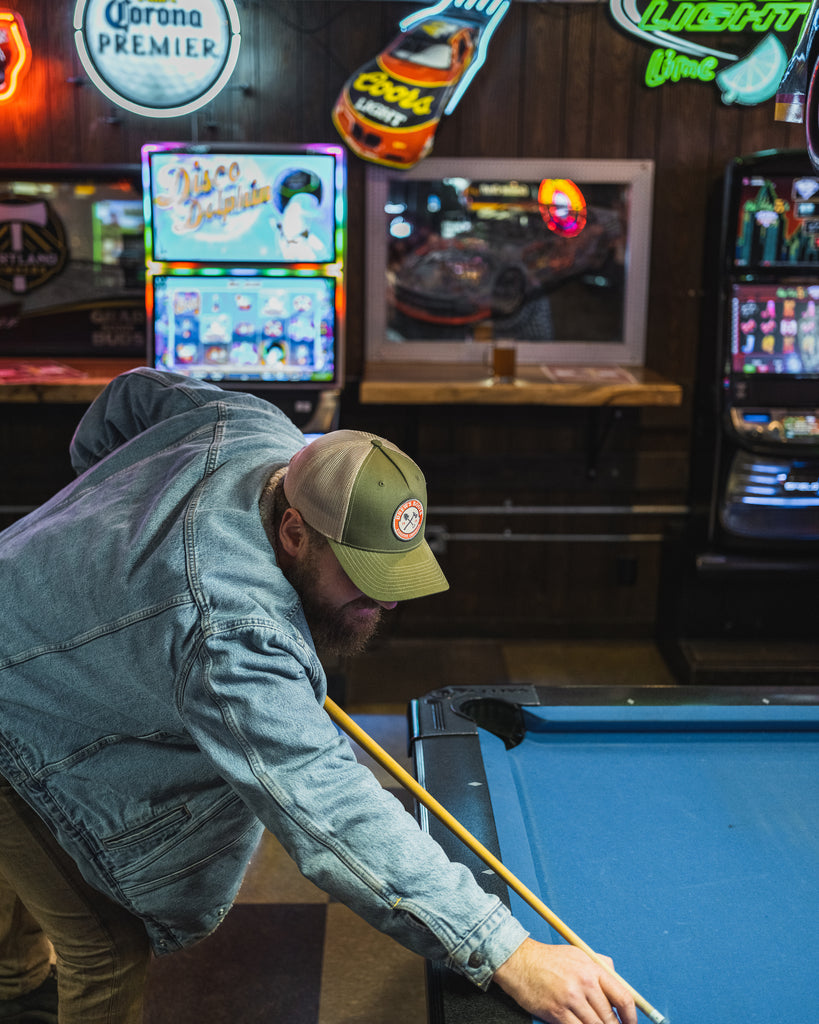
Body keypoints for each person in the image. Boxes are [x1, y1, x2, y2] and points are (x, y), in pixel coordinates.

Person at [0, 368, 636, 1024]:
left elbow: (130, 396)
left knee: (33, 854)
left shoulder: (259, 432)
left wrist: (106, 531)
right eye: (362, 574)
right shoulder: (233, 630)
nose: (387, 599)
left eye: (397, 569)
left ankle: (12, 981)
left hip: (21, 623)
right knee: (106, 942)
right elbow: (325, 807)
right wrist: (505, 951)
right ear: (294, 532)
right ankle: (18, 982)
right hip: (9, 699)